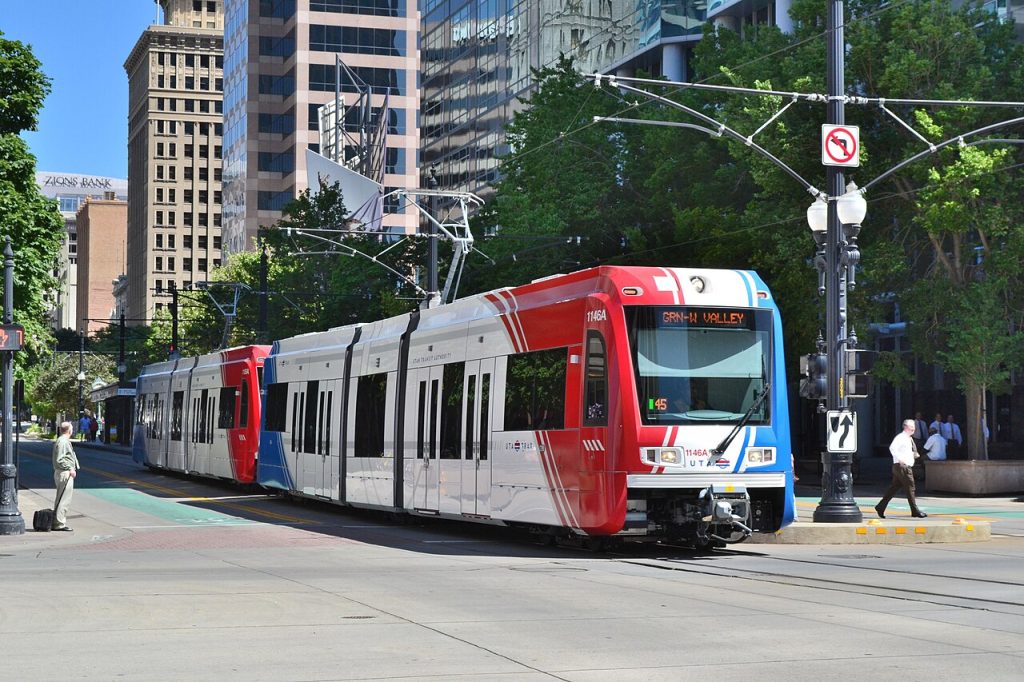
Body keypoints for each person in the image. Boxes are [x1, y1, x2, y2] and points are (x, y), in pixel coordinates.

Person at [875, 419, 927, 519]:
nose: (914, 430)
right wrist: (900, 459)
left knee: (894, 488)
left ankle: (880, 506)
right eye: (912, 428)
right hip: (902, 467)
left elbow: (904, 451)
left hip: (900, 467)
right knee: (910, 488)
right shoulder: (901, 437)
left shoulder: (908, 438)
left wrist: (912, 455)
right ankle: (915, 510)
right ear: (906, 427)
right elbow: (892, 448)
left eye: (914, 428)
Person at [51, 421, 80, 531]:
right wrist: (70, 468)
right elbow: (60, 459)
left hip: (62, 472)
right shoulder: (63, 441)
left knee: (61, 497)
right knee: (64, 499)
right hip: (64, 473)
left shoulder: (62, 440)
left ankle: (57, 521)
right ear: (69, 430)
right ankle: (59, 523)